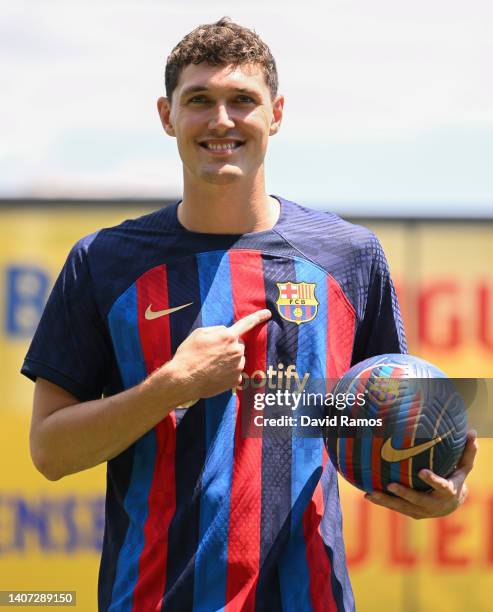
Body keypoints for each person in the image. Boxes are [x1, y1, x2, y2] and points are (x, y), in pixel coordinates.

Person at [22, 17, 477, 612]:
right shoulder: (102, 262)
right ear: (167, 116)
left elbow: (387, 410)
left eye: (242, 100)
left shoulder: (350, 257)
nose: (221, 120)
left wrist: (442, 489)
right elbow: (50, 452)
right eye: (199, 101)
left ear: (277, 113)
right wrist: (172, 387)